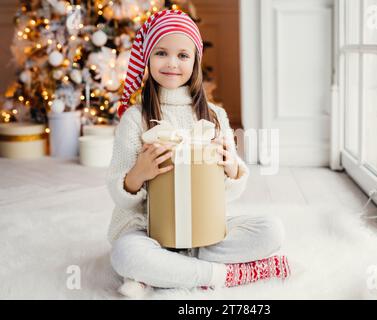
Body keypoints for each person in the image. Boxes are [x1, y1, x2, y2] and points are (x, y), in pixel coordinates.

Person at [106, 9, 291, 298]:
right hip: (149, 231)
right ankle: (223, 274)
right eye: (161, 53)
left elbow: (230, 193)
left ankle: (159, 273)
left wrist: (232, 169)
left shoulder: (215, 115)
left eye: (183, 55)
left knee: (272, 230)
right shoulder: (134, 117)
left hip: (203, 229)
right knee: (125, 253)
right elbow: (118, 193)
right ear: (147, 58)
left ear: (195, 61)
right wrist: (137, 175)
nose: (172, 63)